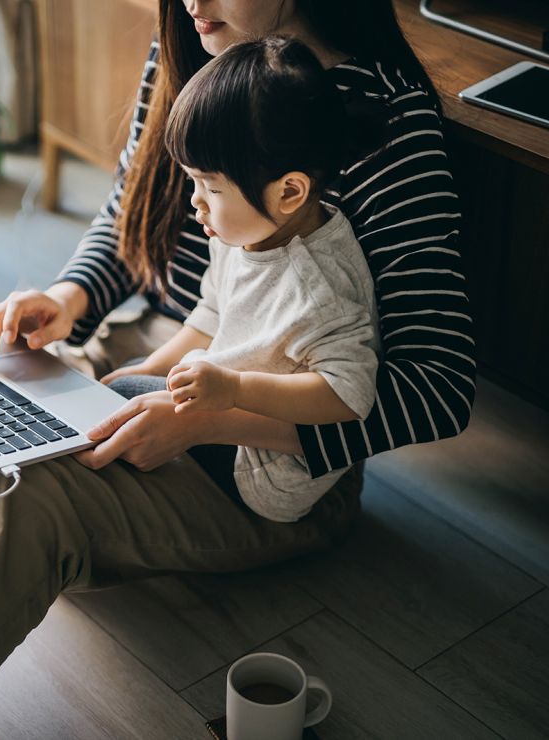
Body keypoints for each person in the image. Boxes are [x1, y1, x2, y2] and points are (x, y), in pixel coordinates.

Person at [0, 1, 474, 737]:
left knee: (31, 495)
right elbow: (130, 208)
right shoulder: (193, 42)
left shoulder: (382, 119)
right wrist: (68, 302)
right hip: (158, 361)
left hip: (268, 459)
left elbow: (436, 388)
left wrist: (214, 415)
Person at [103, 36, 381, 524]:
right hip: (227, 410)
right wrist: (148, 367)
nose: (196, 201)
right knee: (127, 376)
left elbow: (347, 396)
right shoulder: (245, 230)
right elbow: (212, 313)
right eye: (193, 182)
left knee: (123, 406)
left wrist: (235, 389)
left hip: (265, 473)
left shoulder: (319, 290)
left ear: (289, 192)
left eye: (211, 186)